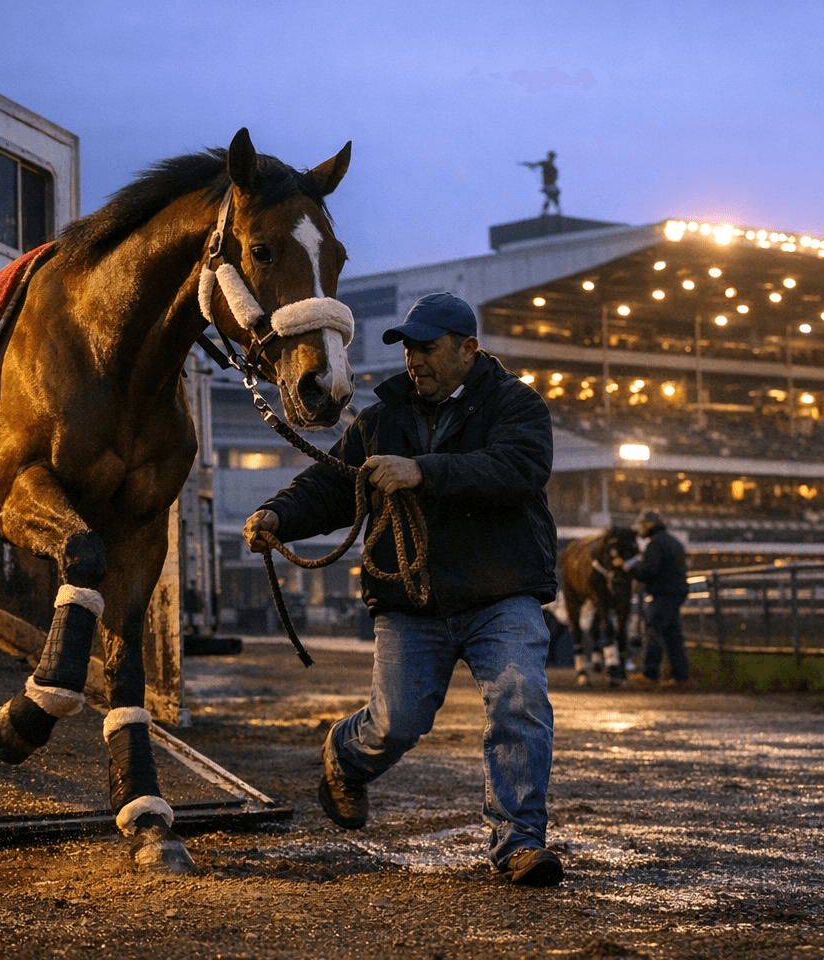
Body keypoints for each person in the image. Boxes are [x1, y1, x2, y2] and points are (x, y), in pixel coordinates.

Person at [243, 291, 564, 887]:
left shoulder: (517, 405)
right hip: (411, 600)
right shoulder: (380, 419)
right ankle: (346, 756)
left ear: (469, 349)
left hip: (501, 592)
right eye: (408, 349)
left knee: (519, 702)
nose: (414, 360)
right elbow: (333, 486)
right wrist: (278, 515)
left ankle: (519, 841)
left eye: (427, 348)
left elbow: (518, 468)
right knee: (397, 722)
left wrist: (422, 470)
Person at [615, 510, 690, 687]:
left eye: (642, 525)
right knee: (672, 634)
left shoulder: (655, 544)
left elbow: (649, 571)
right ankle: (680, 676)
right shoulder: (672, 541)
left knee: (654, 631)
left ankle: (650, 673)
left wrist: (628, 567)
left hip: (663, 594)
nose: (640, 529)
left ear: (650, 525)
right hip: (675, 593)